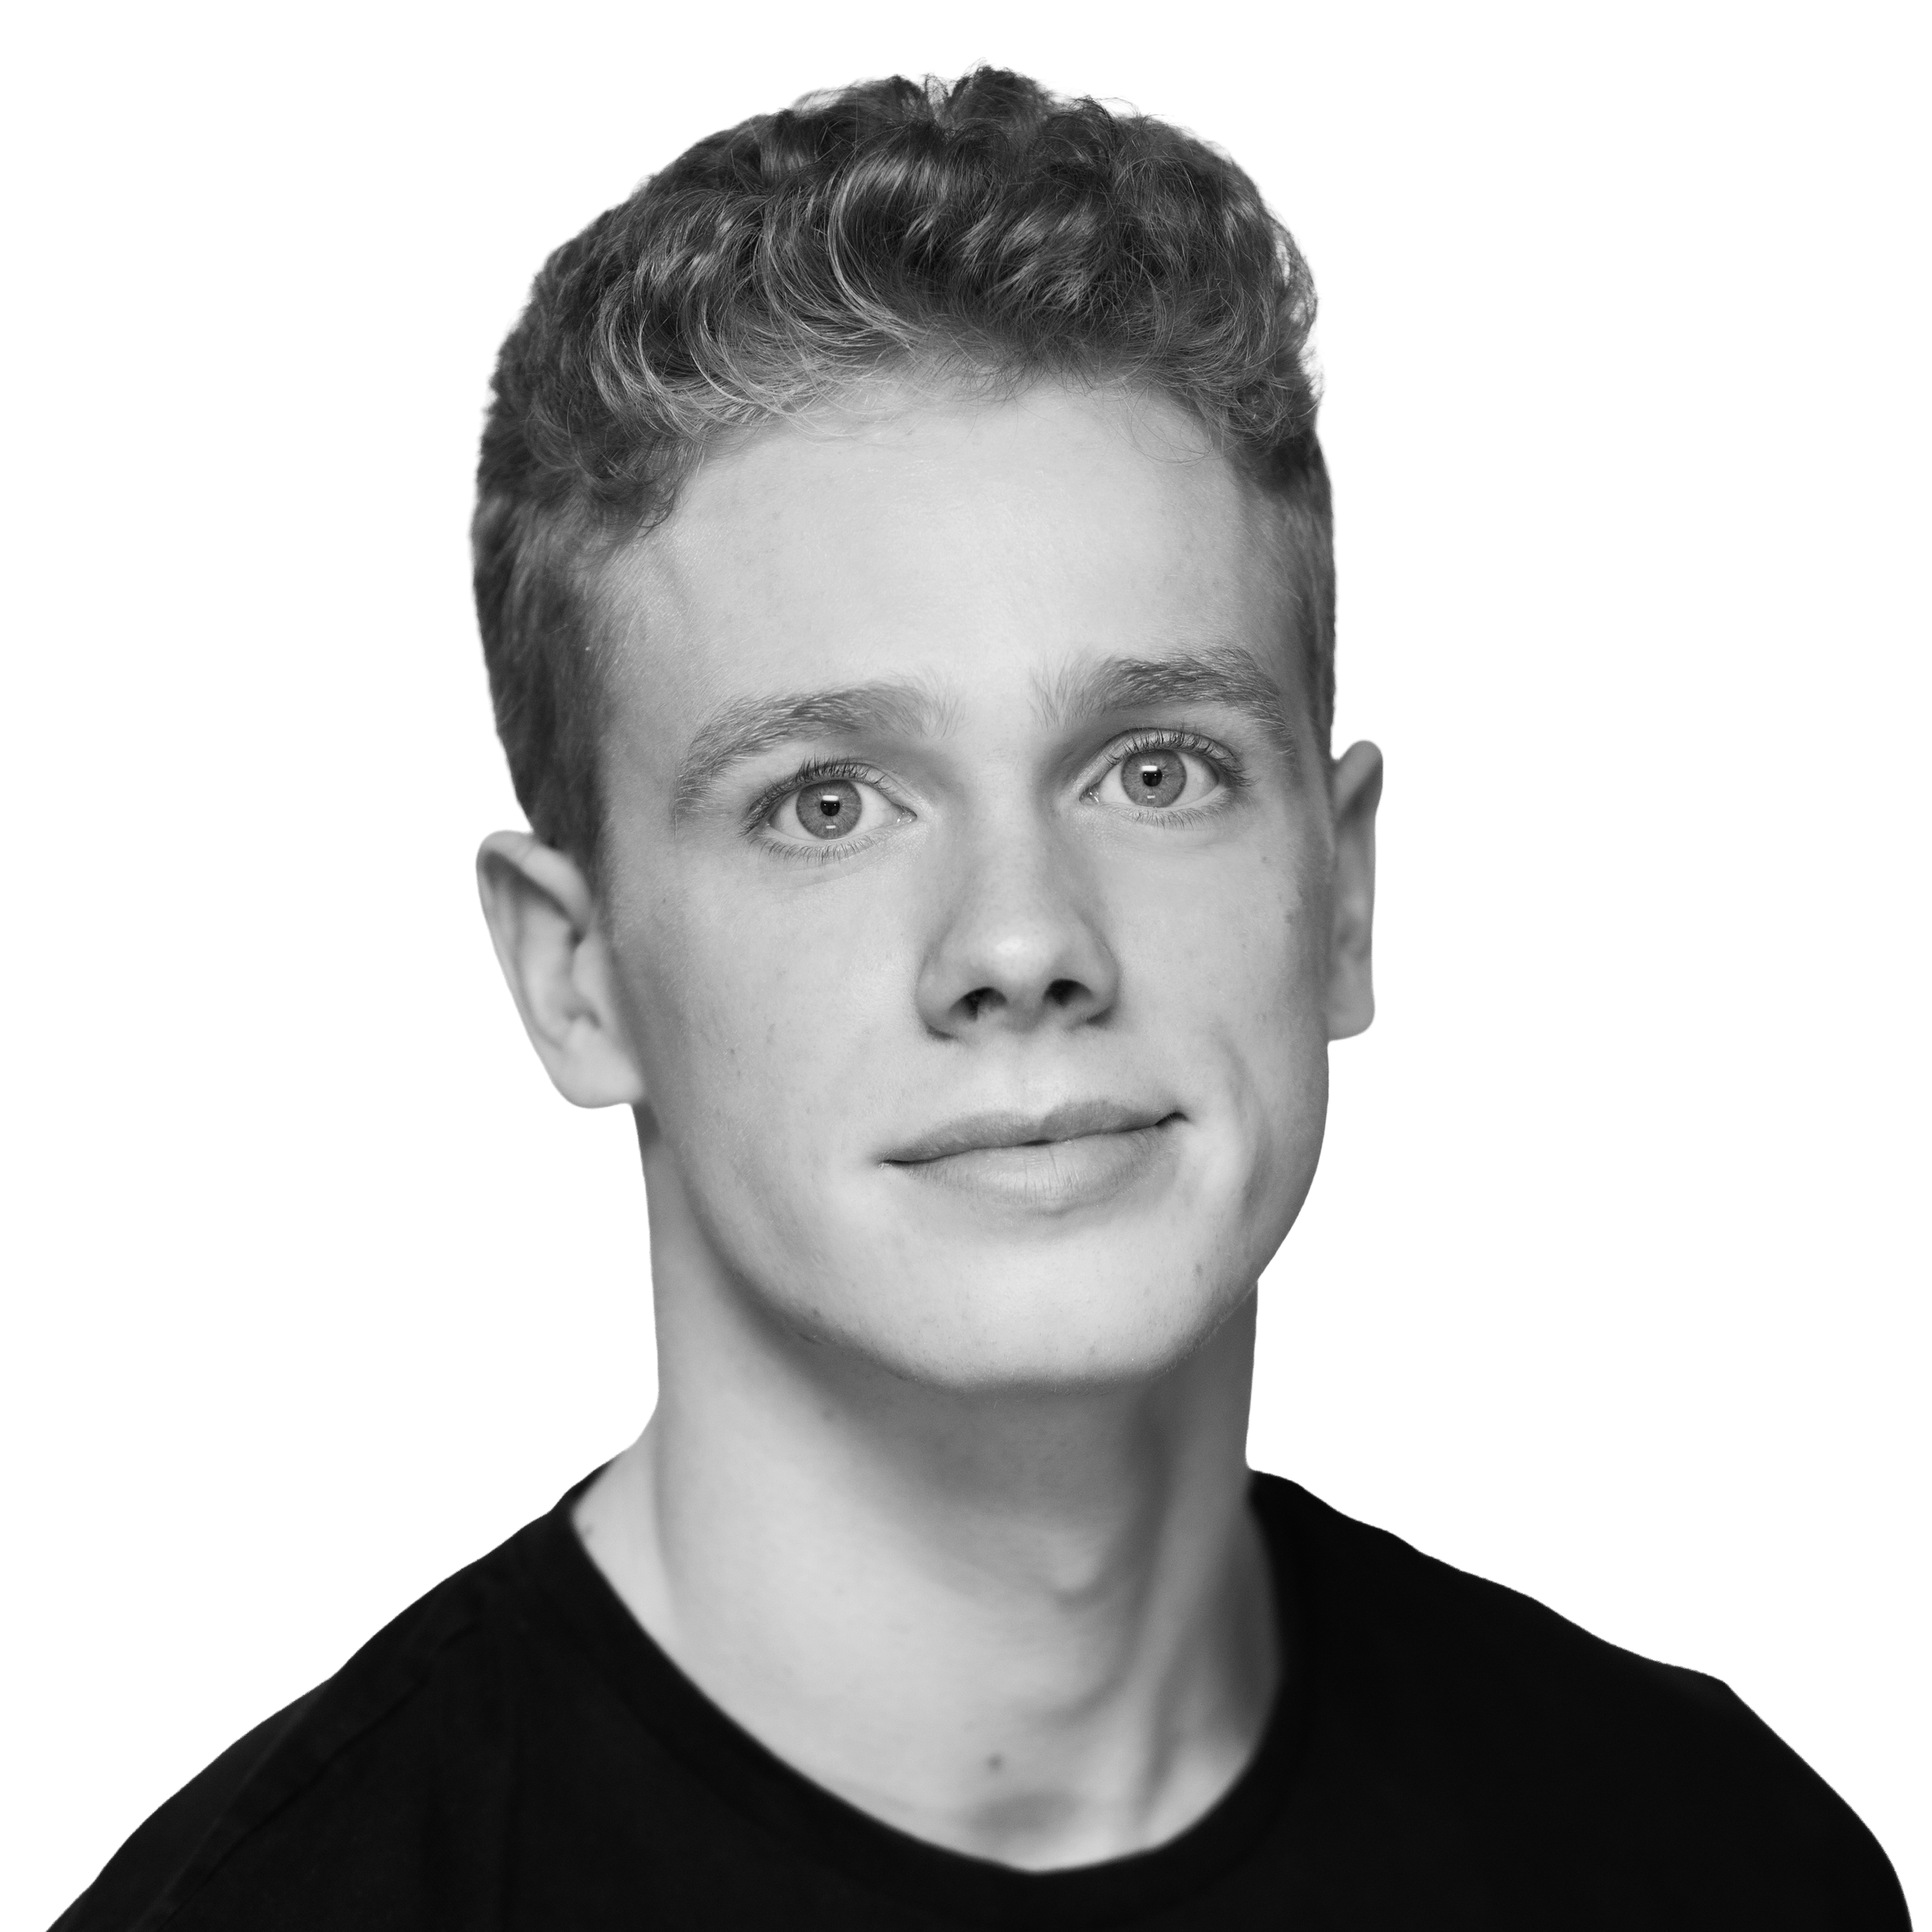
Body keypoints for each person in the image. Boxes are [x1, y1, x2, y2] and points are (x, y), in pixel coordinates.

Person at [56, 67, 1908, 1931]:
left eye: (1154, 766)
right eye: (825, 803)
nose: (1020, 939)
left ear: (1337, 893)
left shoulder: (1710, 1860)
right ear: (573, 970)